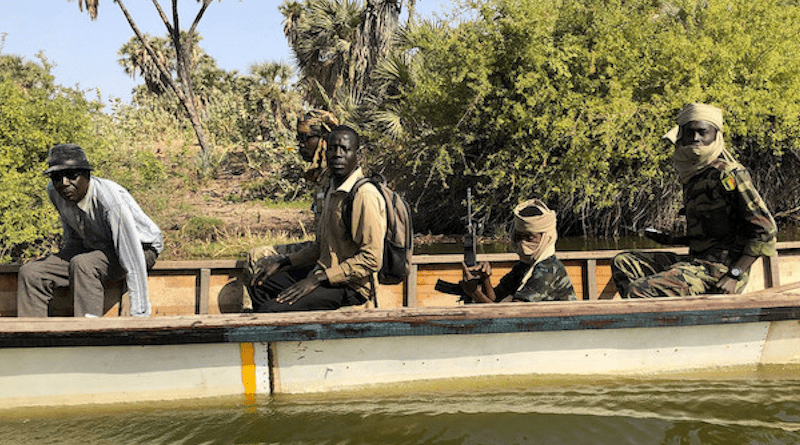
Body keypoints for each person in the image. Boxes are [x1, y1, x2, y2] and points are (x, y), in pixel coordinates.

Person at [611, 103, 777, 298]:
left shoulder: (728, 174)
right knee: (623, 261)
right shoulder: (694, 175)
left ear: (715, 135)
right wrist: (670, 240)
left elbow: (766, 231)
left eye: (702, 132)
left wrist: (734, 275)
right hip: (695, 262)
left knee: (639, 290)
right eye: (690, 132)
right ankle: (667, 316)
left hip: (720, 270)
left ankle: (655, 317)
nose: (696, 138)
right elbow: (712, 232)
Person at [249, 125, 387, 312]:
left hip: (351, 286)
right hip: (323, 274)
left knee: (270, 310)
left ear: (357, 154)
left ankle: (285, 332)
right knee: (259, 284)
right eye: (332, 149)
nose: (338, 154)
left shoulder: (364, 195)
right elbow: (320, 247)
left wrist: (316, 280)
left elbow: (371, 259)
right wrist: (283, 262)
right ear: (326, 151)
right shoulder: (332, 189)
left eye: (345, 149)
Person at [17, 144, 163, 317]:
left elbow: (132, 255)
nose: (64, 183)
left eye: (72, 175)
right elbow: (71, 234)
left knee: (83, 264)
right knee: (31, 273)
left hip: (140, 248)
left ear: (87, 175)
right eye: (56, 177)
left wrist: (140, 313)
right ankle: (32, 336)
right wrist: (65, 258)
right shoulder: (54, 191)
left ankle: (88, 331)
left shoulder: (110, 200)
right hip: (94, 247)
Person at [245, 110, 338, 300]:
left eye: (305, 138)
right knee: (256, 255)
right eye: (298, 138)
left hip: (331, 258)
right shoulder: (320, 176)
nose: (300, 144)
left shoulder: (336, 177)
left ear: (323, 139)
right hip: (318, 248)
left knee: (259, 257)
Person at [459, 199, 576, 303]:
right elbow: (496, 298)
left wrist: (475, 293)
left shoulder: (548, 270)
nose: (522, 243)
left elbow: (510, 317)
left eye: (530, 238)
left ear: (546, 237)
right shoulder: (524, 266)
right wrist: (485, 279)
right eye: (519, 237)